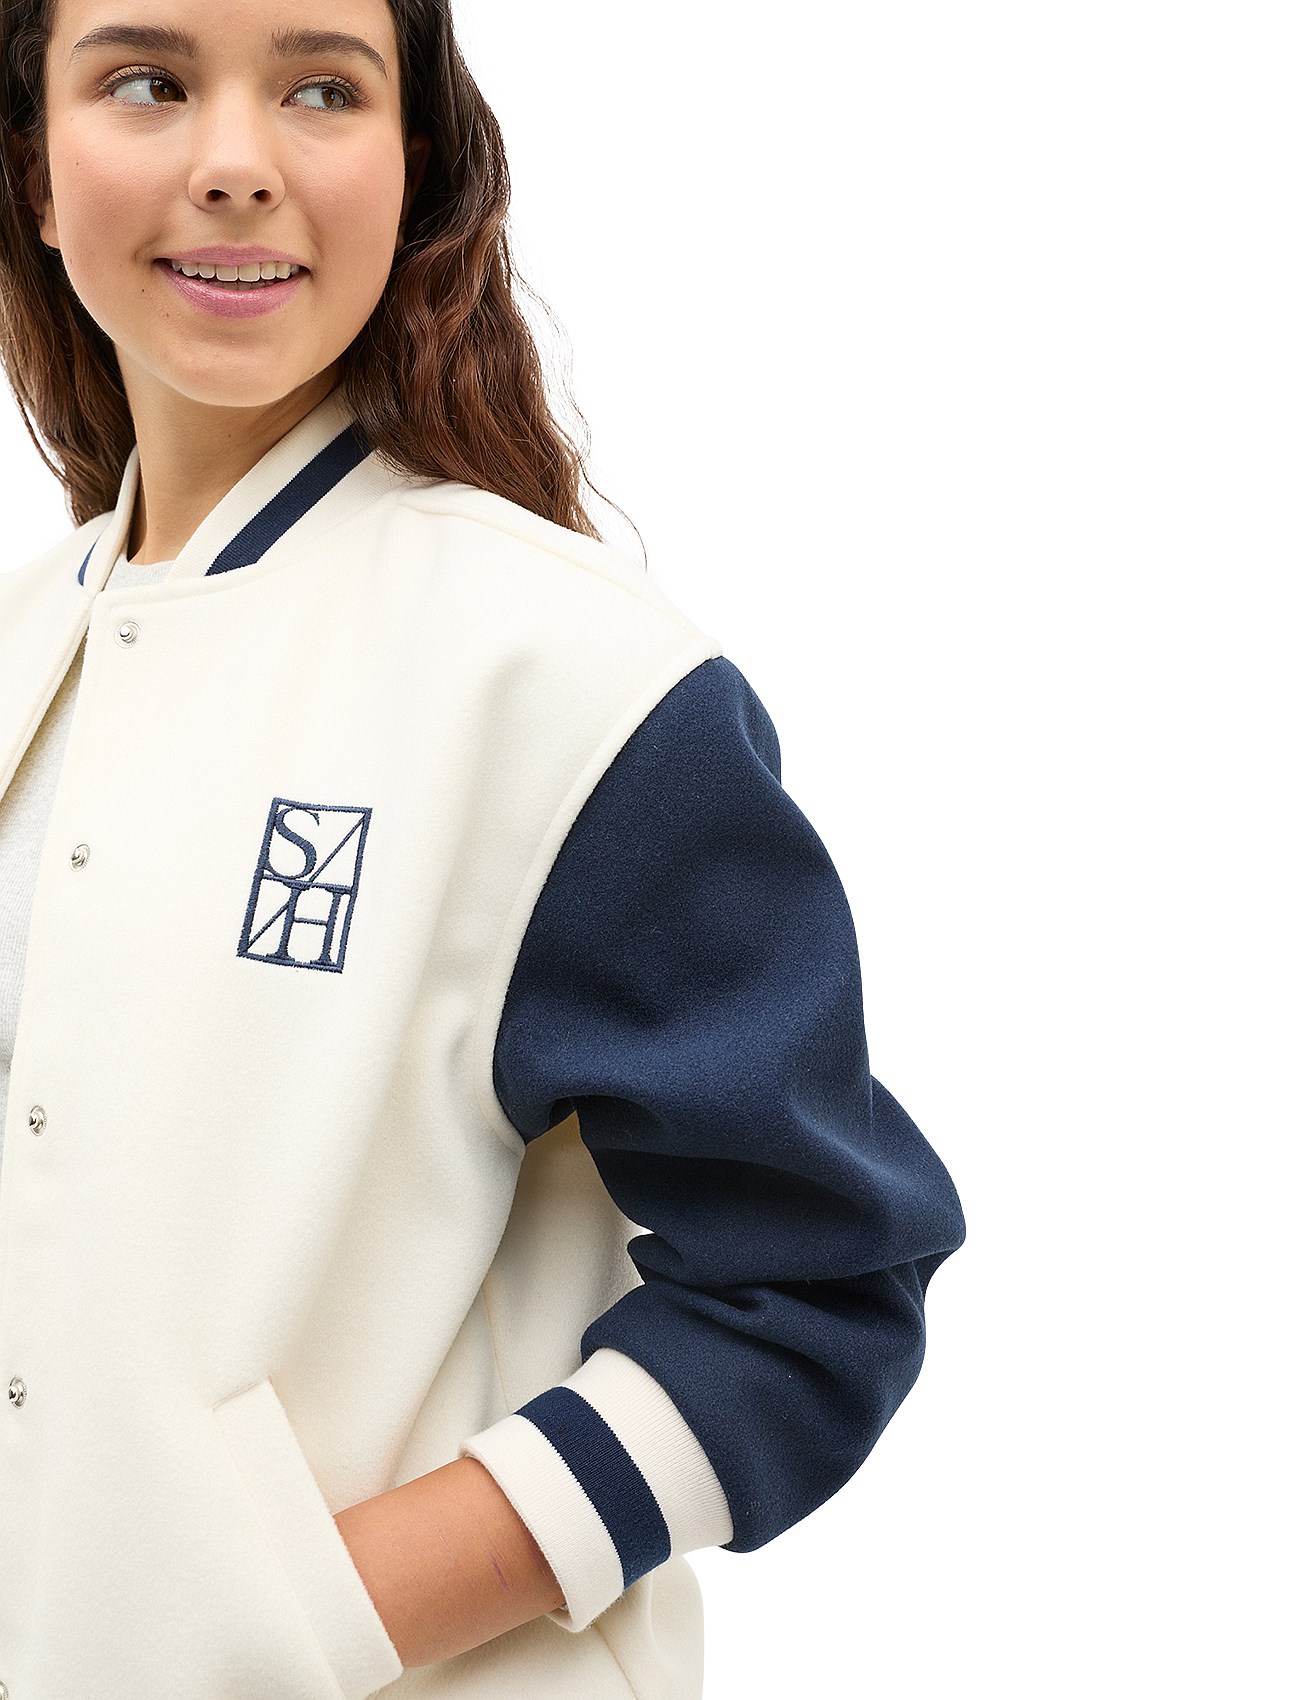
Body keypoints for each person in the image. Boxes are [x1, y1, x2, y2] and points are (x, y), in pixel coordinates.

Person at [0, 0, 968, 1694]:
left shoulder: (570, 676)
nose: (236, 162)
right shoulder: (29, 644)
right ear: (33, 170)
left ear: (414, 163)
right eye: (147, 81)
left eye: (322, 87)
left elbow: (816, 1286)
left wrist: (315, 1617)